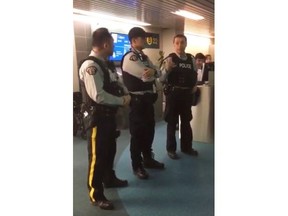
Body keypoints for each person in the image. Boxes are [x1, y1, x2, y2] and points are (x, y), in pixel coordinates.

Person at [78, 28, 131, 210]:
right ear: (106, 44)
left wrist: (125, 92)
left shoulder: (105, 64)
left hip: (109, 118)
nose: (114, 47)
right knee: (97, 157)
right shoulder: (90, 66)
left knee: (109, 151)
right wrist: (122, 100)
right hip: (97, 119)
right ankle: (96, 194)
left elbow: (117, 82)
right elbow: (98, 96)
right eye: (113, 44)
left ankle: (109, 179)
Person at [121, 27, 165, 180]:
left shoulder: (144, 57)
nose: (146, 40)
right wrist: (154, 73)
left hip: (147, 102)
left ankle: (147, 158)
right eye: (143, 38)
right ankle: (137, 165)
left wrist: (154, 72)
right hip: (137, 102)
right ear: (134, 40)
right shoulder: (130, 58)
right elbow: (146, 76)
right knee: (138, 135)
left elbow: (158, 72)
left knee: (149, 132)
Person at [160, 34, 198, 160]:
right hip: (173, 95)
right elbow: (161, 78)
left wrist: (194, 85)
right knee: (172, 123)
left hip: (186, 95)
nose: (180, 45)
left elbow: (195, 73)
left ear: (186, 44)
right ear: (174, 44)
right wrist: (168, 69)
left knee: (186, 122)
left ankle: (187, 147)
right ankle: (171, 149)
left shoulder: (191, 59)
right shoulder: (170, 59)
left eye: (182, 42)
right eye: (177, 43)